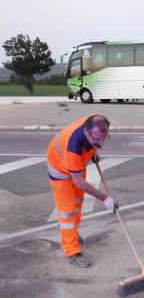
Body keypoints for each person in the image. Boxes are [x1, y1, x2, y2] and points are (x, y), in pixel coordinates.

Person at [46, 114, 119, 268]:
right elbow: (78, 181)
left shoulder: (95, 122)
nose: (101, 143)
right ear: (86, 132)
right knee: (67, 211)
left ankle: (72, 231)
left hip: (76, 166)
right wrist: (104, 198)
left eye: (103, 139)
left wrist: (94, 151)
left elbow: (95, 140)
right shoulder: (74, 146)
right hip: (60, 170)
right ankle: (71, 251)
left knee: (78, 204)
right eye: (97, 140)